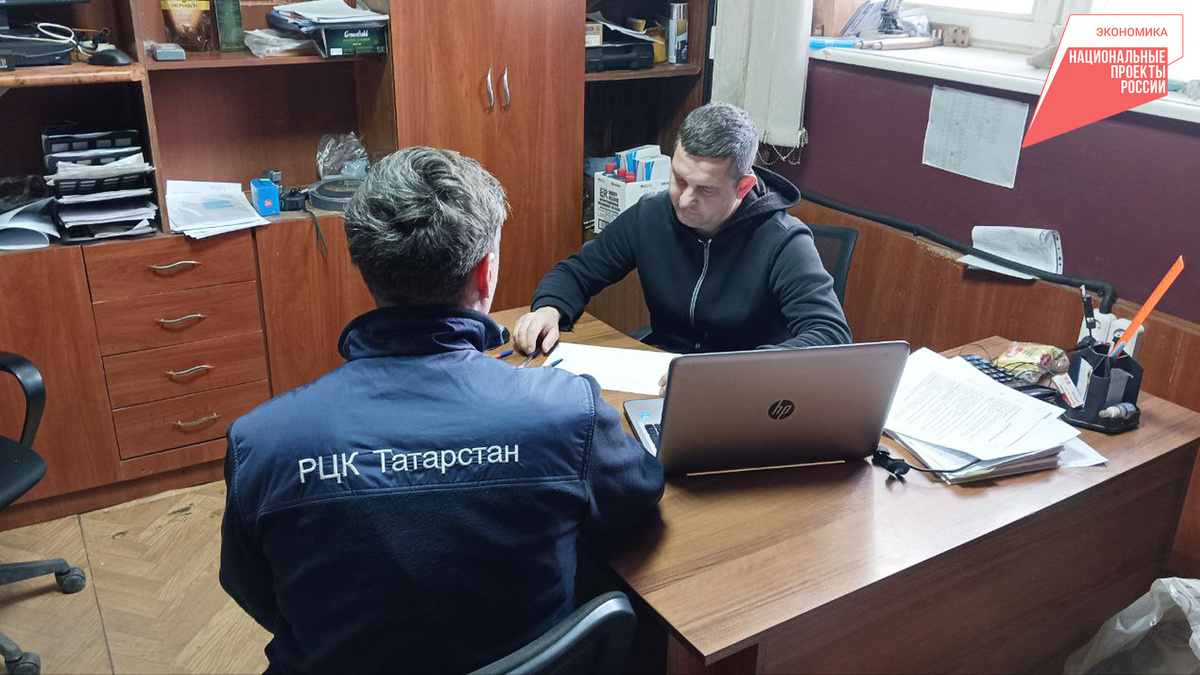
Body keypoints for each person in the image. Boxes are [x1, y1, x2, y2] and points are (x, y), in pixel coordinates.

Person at [219, 147, 664, 674]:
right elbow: (636, 498)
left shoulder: (263, 443)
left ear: (366, 268)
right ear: (486, 273)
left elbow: (256, 590)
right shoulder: (569, 412)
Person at [514, 102, 851, 357]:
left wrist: (726, 372)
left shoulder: (782, 240)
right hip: (662, 373)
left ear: (743, 187)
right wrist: (550, 309)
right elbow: (577, 273)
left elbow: (830, 335)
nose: (685, 199)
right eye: (679, 178)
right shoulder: (651, 215)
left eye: (705, 189)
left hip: (743, 390)